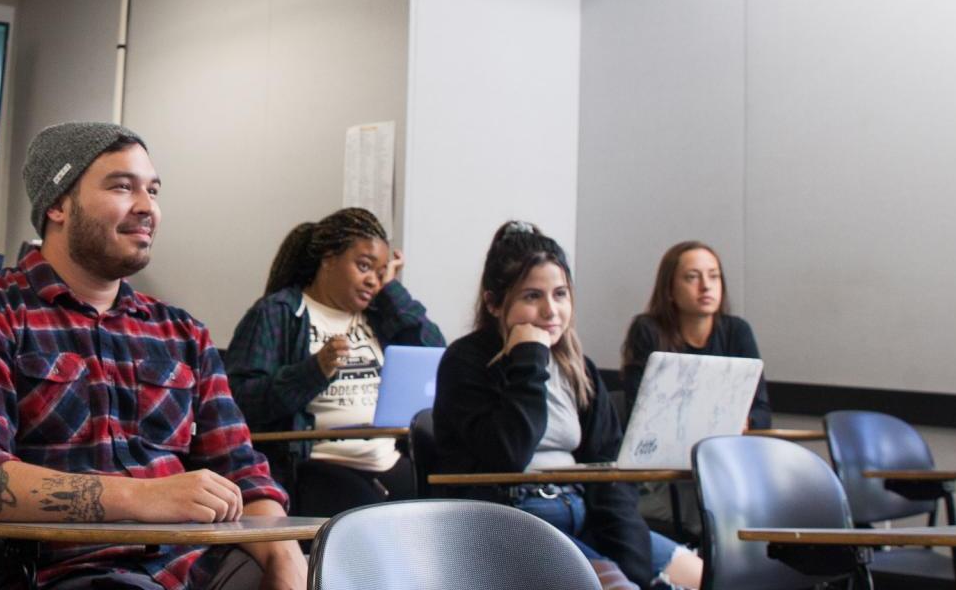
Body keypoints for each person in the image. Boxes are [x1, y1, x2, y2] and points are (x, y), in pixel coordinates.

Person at [0, 122, 306, 590]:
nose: (147, 208)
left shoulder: (181, 332)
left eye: (153, 191)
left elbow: (243, 471)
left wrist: (285, 558)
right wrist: (146, 497)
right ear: (57, 205)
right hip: (61, 573)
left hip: (195, 567)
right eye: (122, 187)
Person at [431, 221, 701, 590]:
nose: (551, 311)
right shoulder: (465, 361)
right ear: (494, 303)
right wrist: (528, 358)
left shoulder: (578, 366)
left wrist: (630, 561)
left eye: (560, 294)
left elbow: (610, 473)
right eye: (531, 297)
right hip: (511, 520)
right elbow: (507, 454)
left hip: (581, 510)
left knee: (703, 576)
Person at [224, 207, 443, 518]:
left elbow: (435, 354)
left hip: (389, 459)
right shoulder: (279, 313)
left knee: (441, 522)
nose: (373, 281)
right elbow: (239, 403)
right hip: (320, 463)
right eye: (364, 266)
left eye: (380, 273)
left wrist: (392, 291)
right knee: (380, 529)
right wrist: (313, 372)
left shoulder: (380, 314)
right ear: (328, 259)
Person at [620, 241, 771, 429]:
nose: (706, 286)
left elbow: (762, 411)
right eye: (692, 277)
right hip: (665, 446)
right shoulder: (647, 330)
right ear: (669, 290)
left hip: (725, 444)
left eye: (714, 276)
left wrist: (746, 422)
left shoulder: (737, 330)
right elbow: (638, 410)